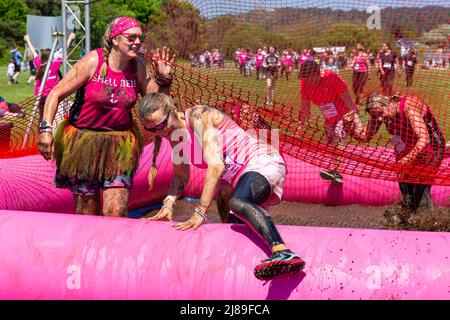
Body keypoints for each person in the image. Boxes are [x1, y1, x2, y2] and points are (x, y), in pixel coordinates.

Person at [139, 92, 305, 281]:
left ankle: (282, 250)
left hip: (262, 161)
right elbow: (180, 175)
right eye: (151, 129)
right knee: (238, 232)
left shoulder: (197, 116)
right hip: (240, 179)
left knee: (238, 201)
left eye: (161, 125)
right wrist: (168, 204)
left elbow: (216, 165)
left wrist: (200, 211)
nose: (160, 132)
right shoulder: (174, 137)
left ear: (173, 111)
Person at [37, 17, 174, 217]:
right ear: (115, 39)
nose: (137, 42)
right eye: (132, 37)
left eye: (140, 38)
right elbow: (55, 94)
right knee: (87, 213)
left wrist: (164, 79)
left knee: (116, 212)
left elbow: (159, 105)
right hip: (83, 145)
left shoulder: (138, 67)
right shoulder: (94, 60)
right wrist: (45, 130)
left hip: (119, 146)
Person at [342, 93, 446, 211]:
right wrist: (347, 127)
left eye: (380, 114)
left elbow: (424, 139)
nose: (379, 119)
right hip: (408, 147)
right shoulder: (379, 111)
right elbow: (365, 136)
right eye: (374, 116)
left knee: (420, 196)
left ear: (389, 104)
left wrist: (405, 160)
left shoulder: (408, 108)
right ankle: (408, 220)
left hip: (432, 147)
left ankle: (429, 221)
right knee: (407, 195)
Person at [298, 60, 358, 184]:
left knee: (337, 136)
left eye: (311, 79)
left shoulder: (332, 78)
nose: (309, 82)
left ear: (318, 73)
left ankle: (336, 172)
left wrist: (355, 118)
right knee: (329, 143)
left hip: (345, 115)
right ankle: (334, 170)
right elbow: (305, 109)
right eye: (306, 79)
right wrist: (300, 127)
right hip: (330, 118)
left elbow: (349, 101)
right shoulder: (304, 84)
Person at [24, 33, 76, 123]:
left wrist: (28, 40)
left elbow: (34, 52)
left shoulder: (38, 64)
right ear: (52, 57)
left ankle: (42, 131)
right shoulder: (54, 65)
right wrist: (70, 38)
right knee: (52, 115)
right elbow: (64, 51)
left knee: (42, 115)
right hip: (52, 96)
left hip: (40, 95)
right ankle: (49, 131)